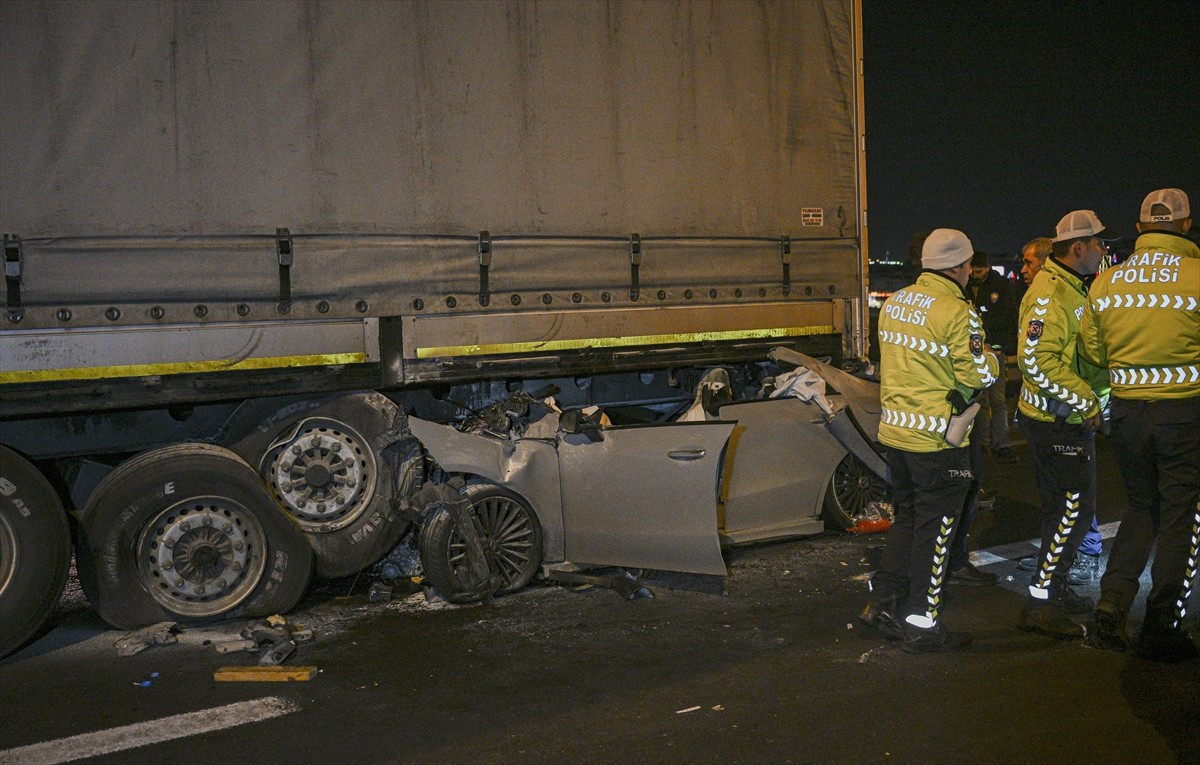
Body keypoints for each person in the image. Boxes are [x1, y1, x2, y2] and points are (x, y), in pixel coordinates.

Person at [860, 228, 999, 652]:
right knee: (936, 533)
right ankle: (922, 625)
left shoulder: (896, 303)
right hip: (938, 441)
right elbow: (977, 375)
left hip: (896, 436)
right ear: (959, 267)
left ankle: (881, 605)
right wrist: (991, 358)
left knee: (907, 522)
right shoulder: (957, 311)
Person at [1078, 188, 1200, 662]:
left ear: (1141, 227)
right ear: (1186, 226)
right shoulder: (1195, 277)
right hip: (1184, 413)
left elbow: (1093, 351)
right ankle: (1162, 623)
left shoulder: (1107, 283)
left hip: (1128, 414)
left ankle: (1111, 604)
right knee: (1179, 516)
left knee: (1141, 507)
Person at [1015, 210, 1113, 639]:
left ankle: (1052, 590)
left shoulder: (1070, 287)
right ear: (1079, 248)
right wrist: (1086, 401)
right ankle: (1042, 602)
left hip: (1059, 420)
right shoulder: (1051, 294)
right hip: (1058, 423)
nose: (1103, 251)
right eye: (1099, 245)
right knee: (1071, 514)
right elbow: (1036, 360)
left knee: (1066, 511)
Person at [967, 251, 1018, 463]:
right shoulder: (965, 287)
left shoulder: (1000, 286)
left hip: (994, 351)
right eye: (973, 271)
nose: (975, 275)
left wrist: (996, 345)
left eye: (979, 271)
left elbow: (1008, 319)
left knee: (997, 400)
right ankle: (983, 443)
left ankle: (1001, 444)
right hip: (975, 351)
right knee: (979, 400)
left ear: (987, 268)